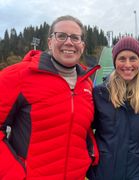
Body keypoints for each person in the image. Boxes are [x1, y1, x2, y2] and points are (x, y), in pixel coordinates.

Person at [0, 15, 99, 179]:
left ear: (82, 45)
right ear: (50, 42)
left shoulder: (86, 84)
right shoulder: (17, 75)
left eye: (75, 37)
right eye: (61, 36)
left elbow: (82, 128)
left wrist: (89, 156)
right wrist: (13, 173)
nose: (69, 42)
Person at [87, 36, 139, 180]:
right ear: (114, 62)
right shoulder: (100, 93)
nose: (127, 64)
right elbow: (83, 128)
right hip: (102, 172)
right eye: (122, 58)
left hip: (136, 173)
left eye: (133, 58)